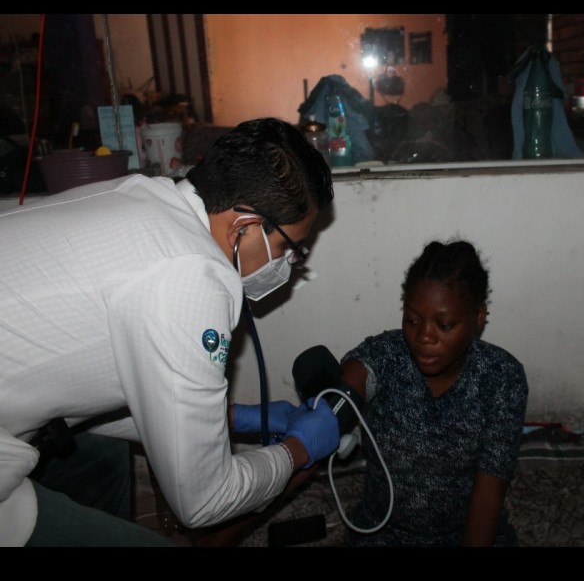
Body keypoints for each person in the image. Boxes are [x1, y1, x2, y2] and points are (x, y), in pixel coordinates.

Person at [0, 117, 341, 546]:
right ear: (244, 227)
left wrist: (234, 417)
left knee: (102, 457)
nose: (289, 264)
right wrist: (298, 451)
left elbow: (133, 392)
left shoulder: (143, 195)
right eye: (289, 249)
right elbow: (204, 501)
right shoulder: (191, 277)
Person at [340, 239, 529, 547]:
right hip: (383, 536)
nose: (424, 337)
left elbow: (488, 497)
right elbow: (349, 384)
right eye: (412, 320)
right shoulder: (385, 357)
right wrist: (336, 400)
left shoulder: (501, 377)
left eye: (445, 325)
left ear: (478, 317)